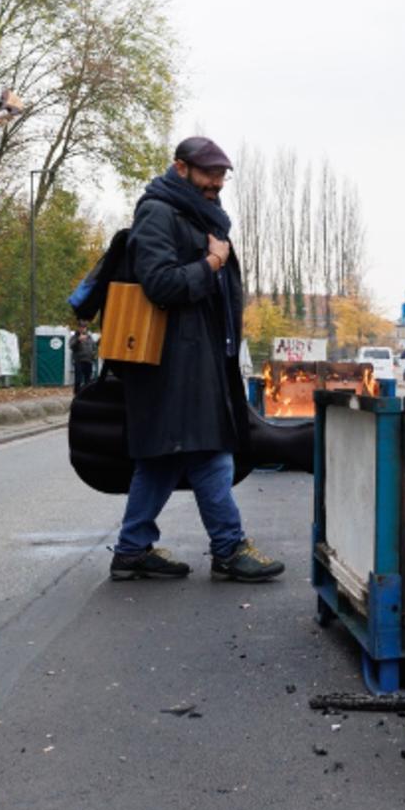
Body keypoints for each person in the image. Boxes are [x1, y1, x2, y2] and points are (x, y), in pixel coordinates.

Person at [111, 136, 284, 583]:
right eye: (209, 174)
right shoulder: (157, 212)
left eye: (222, 176)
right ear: (181, 168)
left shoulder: (194, 213)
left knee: (164, 458)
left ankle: (131, 550)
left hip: (193, 355)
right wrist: (210, 262)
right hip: (172, 361)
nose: (217, 183)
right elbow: (159, 284)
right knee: (210, 453)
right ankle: (228, 547)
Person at [71, 321, 97, 393]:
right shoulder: (75, 337)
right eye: (81, 327)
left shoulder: (89, 337)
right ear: (78, 328)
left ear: (86, 328)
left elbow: (94, 347)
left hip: (88, 361)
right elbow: (71, 346)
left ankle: (86, 393)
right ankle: (76, 393)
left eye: (84, 327)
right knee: (78, 379)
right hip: (79, 361)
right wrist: (78, 340)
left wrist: (94, 354)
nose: (82, 329)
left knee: (88, 379)